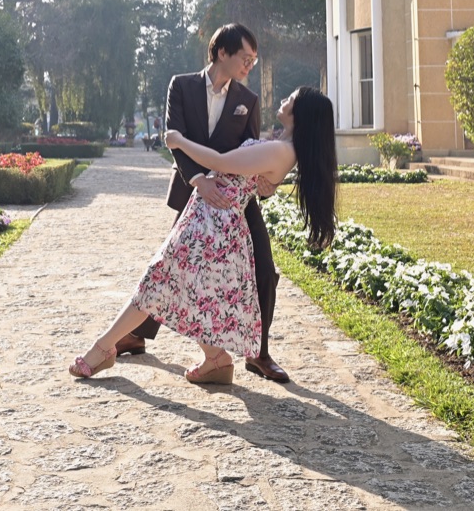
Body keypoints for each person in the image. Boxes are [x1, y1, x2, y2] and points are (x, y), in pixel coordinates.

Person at [67, 86, 337, 383]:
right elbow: (248, 174)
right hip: (213, 223)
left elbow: (219, 162)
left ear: (302, 113)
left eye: (292, 99)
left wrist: (180, 141)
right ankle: (216, 360)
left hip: (212, 226)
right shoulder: (283, 148)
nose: (285, 100)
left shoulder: (280, 151)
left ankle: (103, 348)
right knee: (189, 292)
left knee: (158, 281)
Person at [118, 23, 292, 382]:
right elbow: (173, 138)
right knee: (171, 265)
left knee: (265, 269)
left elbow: (252, 152)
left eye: (254, 60)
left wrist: (265, 185)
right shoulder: (181, 86)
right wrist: (199, 180)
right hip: (192, 191)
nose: (249, 65)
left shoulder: (248, 100)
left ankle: (258, 352)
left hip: (237, 202)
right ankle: (136, 335)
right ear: (222, 53)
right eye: (245, 57)